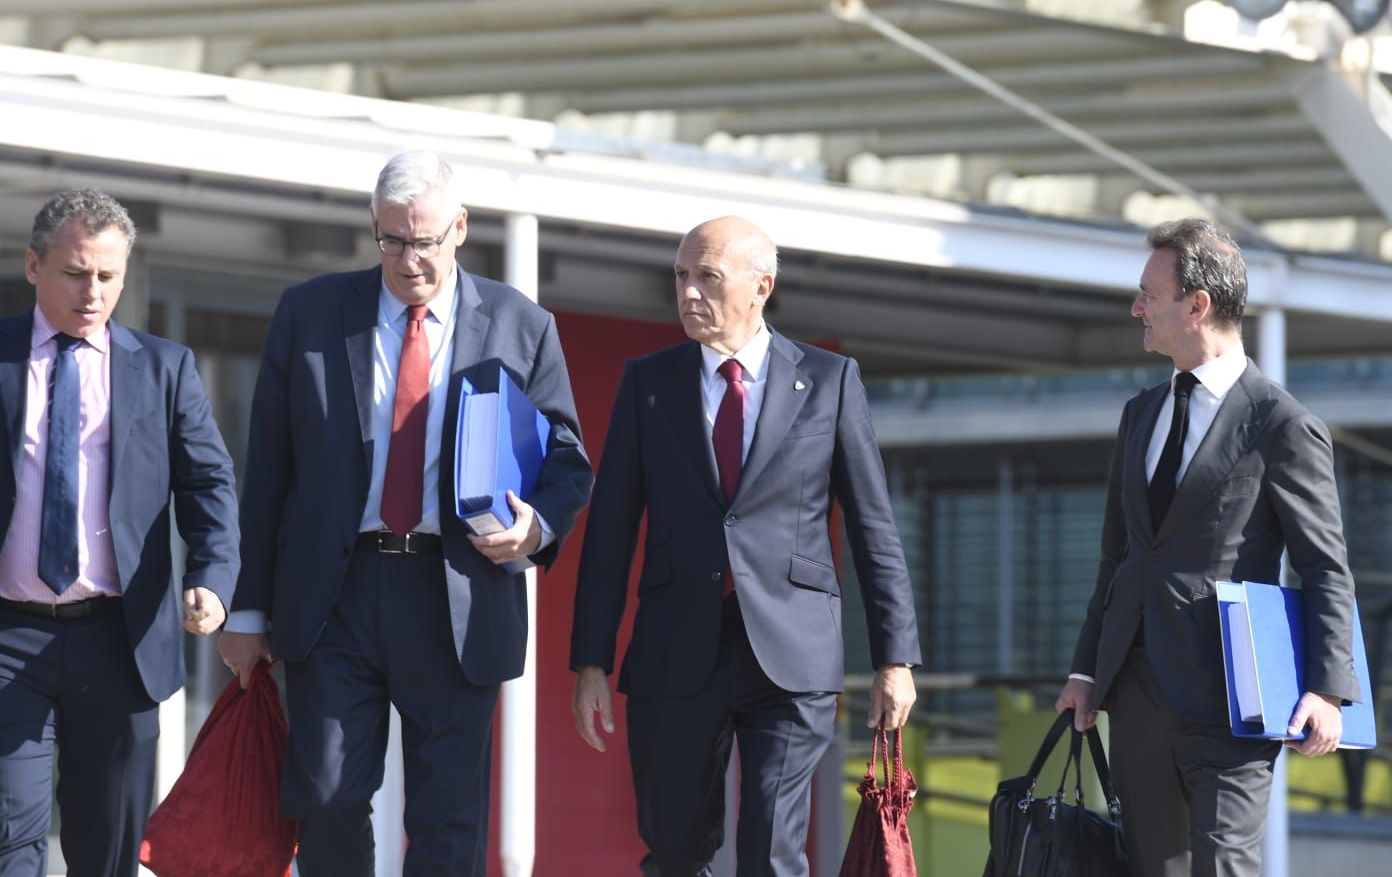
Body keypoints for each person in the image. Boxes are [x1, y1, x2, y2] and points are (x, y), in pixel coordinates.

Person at [218, 150, 591, 876]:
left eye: (424, 241)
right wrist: (247, 610)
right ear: (374, 228)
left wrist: (534, 528)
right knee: (323, 796)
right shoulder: (311, 313)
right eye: (392, 240)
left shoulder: (522, 325)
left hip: (457, 591)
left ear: (460, 230)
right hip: (337, 594)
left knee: (447, 822)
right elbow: (267, 472)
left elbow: (569, 459)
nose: (408, 259)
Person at [570, 215, 921, 877]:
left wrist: (895, 658)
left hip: (791, 656)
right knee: (675, 852)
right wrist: (590, 661)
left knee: (770, 849)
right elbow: (611, 529)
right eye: (680, 276)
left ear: (761, 287)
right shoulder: (649, 383)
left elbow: (875, 525)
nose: (689, 293)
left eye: (708, 277)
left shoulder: (829, 379)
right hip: (675, 652)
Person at [1056, 217, 1360, 877]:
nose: (1135, 307)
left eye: (1147, 294)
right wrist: (1086, 670)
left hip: (1234, 694)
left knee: (1224, 867)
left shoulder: (1281, 425)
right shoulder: (1140, 413)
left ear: (1198, 305)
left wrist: (1328, 691)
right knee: (1154, 868)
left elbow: (1323, 566)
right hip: (1134, 689)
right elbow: (1118, 556)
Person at [0, 189, 240, 876]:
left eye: (107, 276)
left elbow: (209, 487)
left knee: (107, 851)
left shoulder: (165, 368)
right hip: (9, 639)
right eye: (75, 273)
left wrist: (212, 581)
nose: (92, 292)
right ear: (33, 266)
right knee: (9, 838)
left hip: (120, 639)